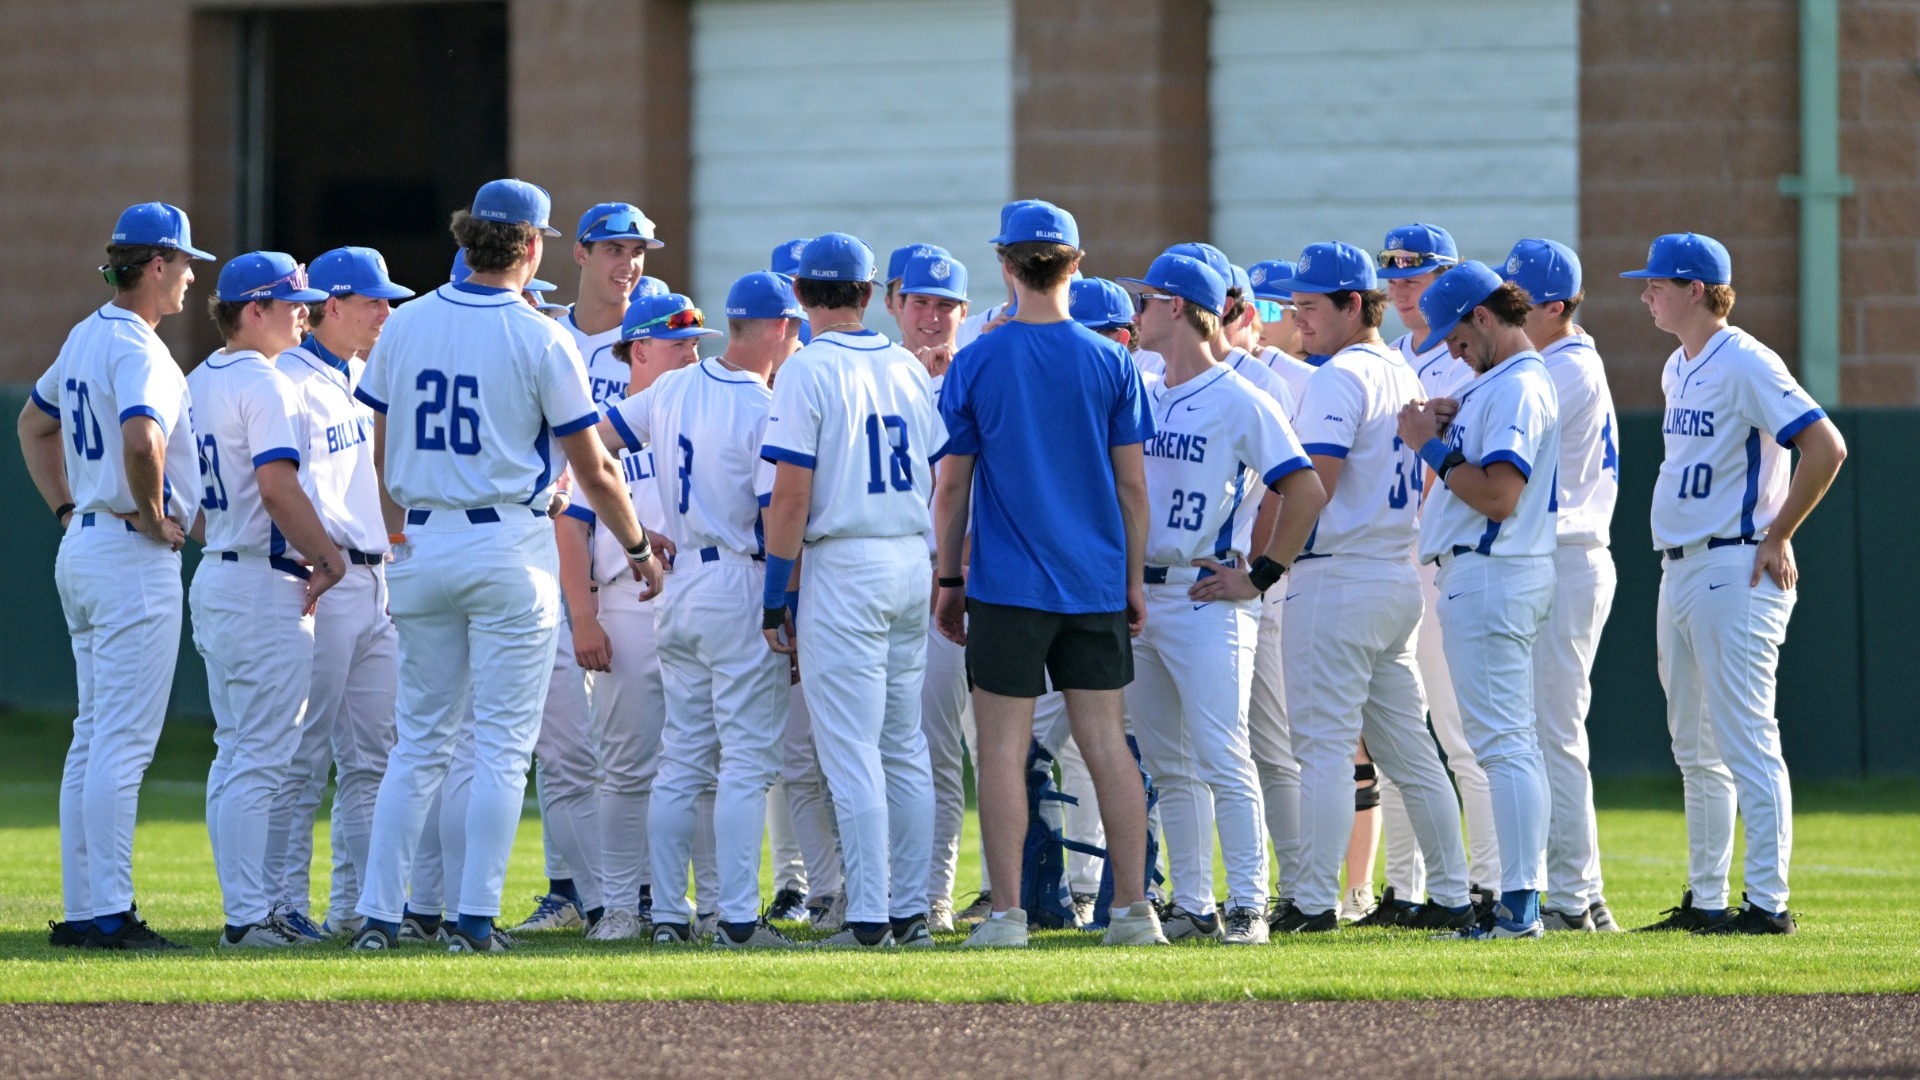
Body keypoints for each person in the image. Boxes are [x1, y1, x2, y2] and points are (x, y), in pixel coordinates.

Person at [349, 178, 663, 953]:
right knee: (498, 745)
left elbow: (383, 450)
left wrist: (399, 535)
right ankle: (471, 921)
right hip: (506, 545)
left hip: (423, 540)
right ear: (531, 245)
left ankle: (381, 918)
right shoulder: (538, 333)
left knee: (418, 743)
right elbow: (594, 470)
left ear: (469, 238)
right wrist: (635, 547)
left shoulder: (408, 321)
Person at [935, 201, 1165, 949]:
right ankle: (1133, 911)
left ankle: (1006, 915)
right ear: (1076, 263)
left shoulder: (977, 360)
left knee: (1003, 750)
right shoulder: (1111, 360)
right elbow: (1133, 488)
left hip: (1007, 585)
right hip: (1095, 579)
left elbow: (954, 486)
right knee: (1106, 742)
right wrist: (1132, 577)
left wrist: (947, 577)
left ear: (1006, 265)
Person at [1624, 233, 1846, 935]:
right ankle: (1708, 900)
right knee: (1694, 746)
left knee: (1747, 737)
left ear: (1696, 289)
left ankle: (1769, 905)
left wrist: (1779, 533)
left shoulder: (1746, 360)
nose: (1645, 293)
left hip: (1737, 562)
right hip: (1682, 563)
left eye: (1657, 283)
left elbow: (1825, 444)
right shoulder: (1676, 365)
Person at [1115, 252, 1327, 945]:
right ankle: (1193, 902)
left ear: (1177, 306)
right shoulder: (1142, 382)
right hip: (1143, 596)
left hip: (1208, 595)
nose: (1136, 311)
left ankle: (1247, 905)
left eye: (1146, 300)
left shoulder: (1241, 395)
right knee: (1169, 765)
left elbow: (1305, 488)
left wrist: (1260, 575)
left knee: (1222, 755)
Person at [1267, 241, 1471, 934]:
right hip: (1391, 572)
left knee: (1322, 746)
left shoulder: (1339, 375)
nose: (1300, 319)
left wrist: (1265, 566)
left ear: (1355, 304)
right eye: (1294, 306)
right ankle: (1447, 895)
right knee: (1411, 751)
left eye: (1311, 305)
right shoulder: (1402, 370)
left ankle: (1315, 901)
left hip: (1337, 576)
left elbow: (1313, 484)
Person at [22, 203, 209, 950]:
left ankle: (85, 906)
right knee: (121, 744)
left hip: (86, 547)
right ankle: (107, 913)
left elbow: (32, 426)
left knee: (92, 736)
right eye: (187, 262)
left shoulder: (84, 334)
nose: (194, 276)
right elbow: (141, 437)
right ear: (156, 264)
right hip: (130, 557)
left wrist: (68, 508)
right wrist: (153, 510)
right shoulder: (140, 349)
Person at [760, 232, 947, 949]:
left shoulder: (807, 369)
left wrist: (779, 594)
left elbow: (790, 497)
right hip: (907, 554)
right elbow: (939, 471)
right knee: (903, 746)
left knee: (851, 750)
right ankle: (909, 911)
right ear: (870, 294)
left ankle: (869, 918)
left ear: (801, 294)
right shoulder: (904, 365)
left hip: (845, 562)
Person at [602, 272, 799, 948]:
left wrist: (634, 529)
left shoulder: (670, 387)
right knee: (745, 761)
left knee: (682, 760)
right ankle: (738, 921)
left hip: (681, 582)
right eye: (793, 325)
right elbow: (777, 513)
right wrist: (784, 604)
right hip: (739, 582)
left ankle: (666, 918)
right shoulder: (766, 404)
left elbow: (594, 442)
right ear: (776, 329)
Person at [510, 201, 662, 936]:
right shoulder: (547, 337)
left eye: (637, 251)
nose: (627, 264)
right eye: (614, 250)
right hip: (551, 558)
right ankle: (571, 889)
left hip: (638, 577)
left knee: (649, 751)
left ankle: (642, 895)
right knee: (565, 746)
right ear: (579, 253)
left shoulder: (654, 337)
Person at [1398, 261, 1561, 939]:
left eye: (1459, 338)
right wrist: (1444, 425)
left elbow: (1498, 492)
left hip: (1494, 569)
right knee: (1508, 744)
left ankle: (1520, 906)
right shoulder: (1499, 382)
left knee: (1505, 747)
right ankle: (1520, 901)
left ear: (1484, 317)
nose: (1454, 352)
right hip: (1488, 570)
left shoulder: (1519, 384)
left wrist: (1429, 445)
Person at [188, 251, 346, 947]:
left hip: (220, 568)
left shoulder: (197, 379)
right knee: (259, 758)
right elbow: (279, 487)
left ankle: (247, 911)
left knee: (235, 754)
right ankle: (249, 918)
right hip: (262, 578)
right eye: (293, 302)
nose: (304, 312)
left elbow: (179, 502)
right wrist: (329, 556)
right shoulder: (267, 381)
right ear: (255, 309)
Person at [267, 246, 414, 942]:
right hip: (319, 578)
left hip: (375, 576)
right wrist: (321, 561)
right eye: (373, 300)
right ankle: (282, 905)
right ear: (333, 304)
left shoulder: (364, 375)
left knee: (375, 756)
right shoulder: (287, 379)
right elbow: (281, 488)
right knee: (303, 751)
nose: (386, 311)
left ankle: (354, 905)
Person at [1361, 222, 1500, 927]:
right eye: (1396, 274)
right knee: (1396, 735)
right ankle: (1405, 887)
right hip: (1392, 558)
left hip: (1447, 554)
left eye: (1421, 274)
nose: (1406, 285)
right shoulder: (1384, 356)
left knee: (1459, 730)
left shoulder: (1466, 358)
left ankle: (1487, 885)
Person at [570, 290, 716, 941]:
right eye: (679, 341)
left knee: (706, 764)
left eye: (696, 341)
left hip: (699, 602)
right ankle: (623, 905)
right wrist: (583, 614)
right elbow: (568, 529)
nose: (693, 352)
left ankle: (705, 905)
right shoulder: (602, 431)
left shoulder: (704, 414)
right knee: (628, 767)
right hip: (625, 608)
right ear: (639, 348)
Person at [1502, 238, 1623, 932]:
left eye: (1519, 301)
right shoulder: (1560, 358)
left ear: (1553, 306)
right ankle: (1579, 890)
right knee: (1541, 731)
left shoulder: (1566, 368)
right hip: (1556, 555)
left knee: (1554, 733)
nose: (1508, 312)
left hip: (1568, 554)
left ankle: (1576, 897)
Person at [890, 250, 975, 933]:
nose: (931, 315)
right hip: (882, 574)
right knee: (873, 744)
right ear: (892, 304)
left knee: (943, 748)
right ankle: (869, 891)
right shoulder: (872, 376)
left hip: (960, 580)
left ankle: (934, 896)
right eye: (919, 301)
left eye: (945, 304)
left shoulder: (975, 378)